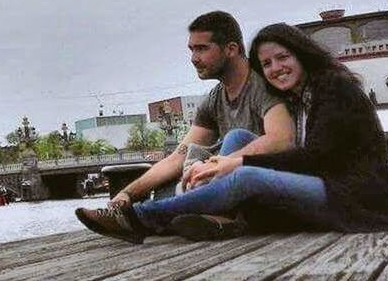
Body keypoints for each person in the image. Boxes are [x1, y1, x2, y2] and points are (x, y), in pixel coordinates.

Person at [76, 23, 388, 243]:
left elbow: (315, 158)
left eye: (283, 57)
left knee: (245, 177)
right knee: (236, 136)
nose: (276, 68)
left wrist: (232, 165)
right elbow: (182, 153)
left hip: (354, 197)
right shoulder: (303, 94)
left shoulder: (335, 89)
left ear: (302, 54)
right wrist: (225, 159)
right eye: (267, 64)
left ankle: (142, 219)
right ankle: (221, 219)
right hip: (329, 186)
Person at [108, 11, 294, 210]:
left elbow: (280, 139)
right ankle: (197, 215)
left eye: (202, 49)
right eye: (191, 50)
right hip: (228, 188)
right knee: (166, 185)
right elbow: (178, 157)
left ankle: (148, 215)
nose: (194, 59)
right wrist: (127, 193)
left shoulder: (264, 84)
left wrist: (217, 164)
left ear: (231, 49)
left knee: (235, 138)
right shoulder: (214, 99)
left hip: (264, 184)